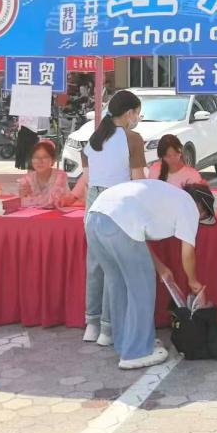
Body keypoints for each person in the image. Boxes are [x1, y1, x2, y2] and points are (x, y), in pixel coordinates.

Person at [85, 179, 213, 369]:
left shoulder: (167, 195)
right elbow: (188, 252)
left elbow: (137, 236)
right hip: (120, 222)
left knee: (117, 283)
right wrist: (193, 282)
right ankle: (136, 352)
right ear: (201, 207)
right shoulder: (189, 206)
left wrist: (161, 269)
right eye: (204, 216)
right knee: (141, 287)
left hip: (94, 217)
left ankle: (124, 342)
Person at [82, 90, 148, 346]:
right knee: (114, 267)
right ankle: (107, 329)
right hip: (118, 200)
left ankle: (91, 323)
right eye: (138, 113)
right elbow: (138, 181)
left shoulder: (96, 137)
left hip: (93, 201)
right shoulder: (132, 138)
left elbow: (88, 173)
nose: (138, 118)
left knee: (95, 263)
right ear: (129, 113)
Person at [18, 140, 79, 210]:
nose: (40, 161)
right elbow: (22, 202)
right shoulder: (26, 179)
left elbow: (53, 201)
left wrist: (32, 200)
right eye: (36, 157)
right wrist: (22, 195)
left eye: (45, 157)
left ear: (53, 160)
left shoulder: (60, 176)